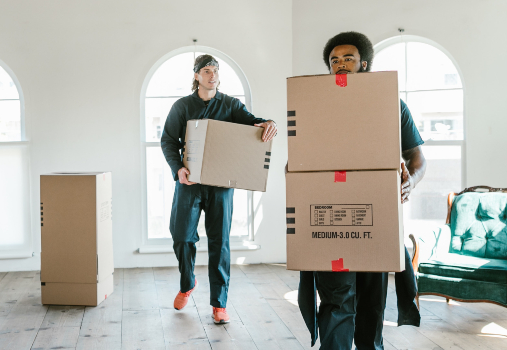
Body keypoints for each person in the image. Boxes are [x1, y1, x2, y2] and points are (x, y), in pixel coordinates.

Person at [297, 31, 425, 350]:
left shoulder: (391, 102)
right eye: (334, 60)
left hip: (376, 215)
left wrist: (411, 180)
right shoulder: (314, 104)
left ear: (364, 63)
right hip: (328, 216)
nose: (340, 64)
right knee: (337, 300)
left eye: (348, 58)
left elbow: (417, 157)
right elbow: (301, 156)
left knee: (371, 303)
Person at [160, 54, 278, 324]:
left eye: (215, 70)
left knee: (219, 242)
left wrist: (268, 123)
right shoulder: (182, 106)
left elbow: (252, 123)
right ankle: (188, 283)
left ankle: (219, 304)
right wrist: (178, 169)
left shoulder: (231, 104)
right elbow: (167, 140)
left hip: (221, 185)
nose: (212, 75)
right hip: (189, 182)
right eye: (206, 70)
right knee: (181, 236)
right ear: (196, 76)